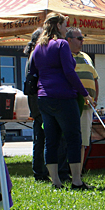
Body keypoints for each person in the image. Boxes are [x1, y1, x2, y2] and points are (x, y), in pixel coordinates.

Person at [29, 12, 92, 190]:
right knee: (73, 138)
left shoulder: (38, 47)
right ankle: (77, 181)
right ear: (58, 26)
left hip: (44, 98)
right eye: (65, 25)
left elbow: (34, 71)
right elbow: (69, 72)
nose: (66, 29)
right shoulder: (62, 44)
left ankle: (55, 181)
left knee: (51, 139)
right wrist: (84, 93)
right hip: (64, 97)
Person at [24, 29, 69, 182]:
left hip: (36, 104)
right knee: (53, 139)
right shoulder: (37, 55)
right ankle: (57, 172)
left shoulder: (32, 55)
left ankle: (40, 173)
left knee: (40, 139)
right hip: (43, 102)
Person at [66, 27, 100, 166]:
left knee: (83, 141)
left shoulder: (86, 56)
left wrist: (95, 99)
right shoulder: (64, 55)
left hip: (87, 106)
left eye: (82, 38)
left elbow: (95, 78)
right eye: (79, 38)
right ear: (69, 40)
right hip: (71, 104)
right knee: (70, 139)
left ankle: (78, 172)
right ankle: (67, 171)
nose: (82, 41)